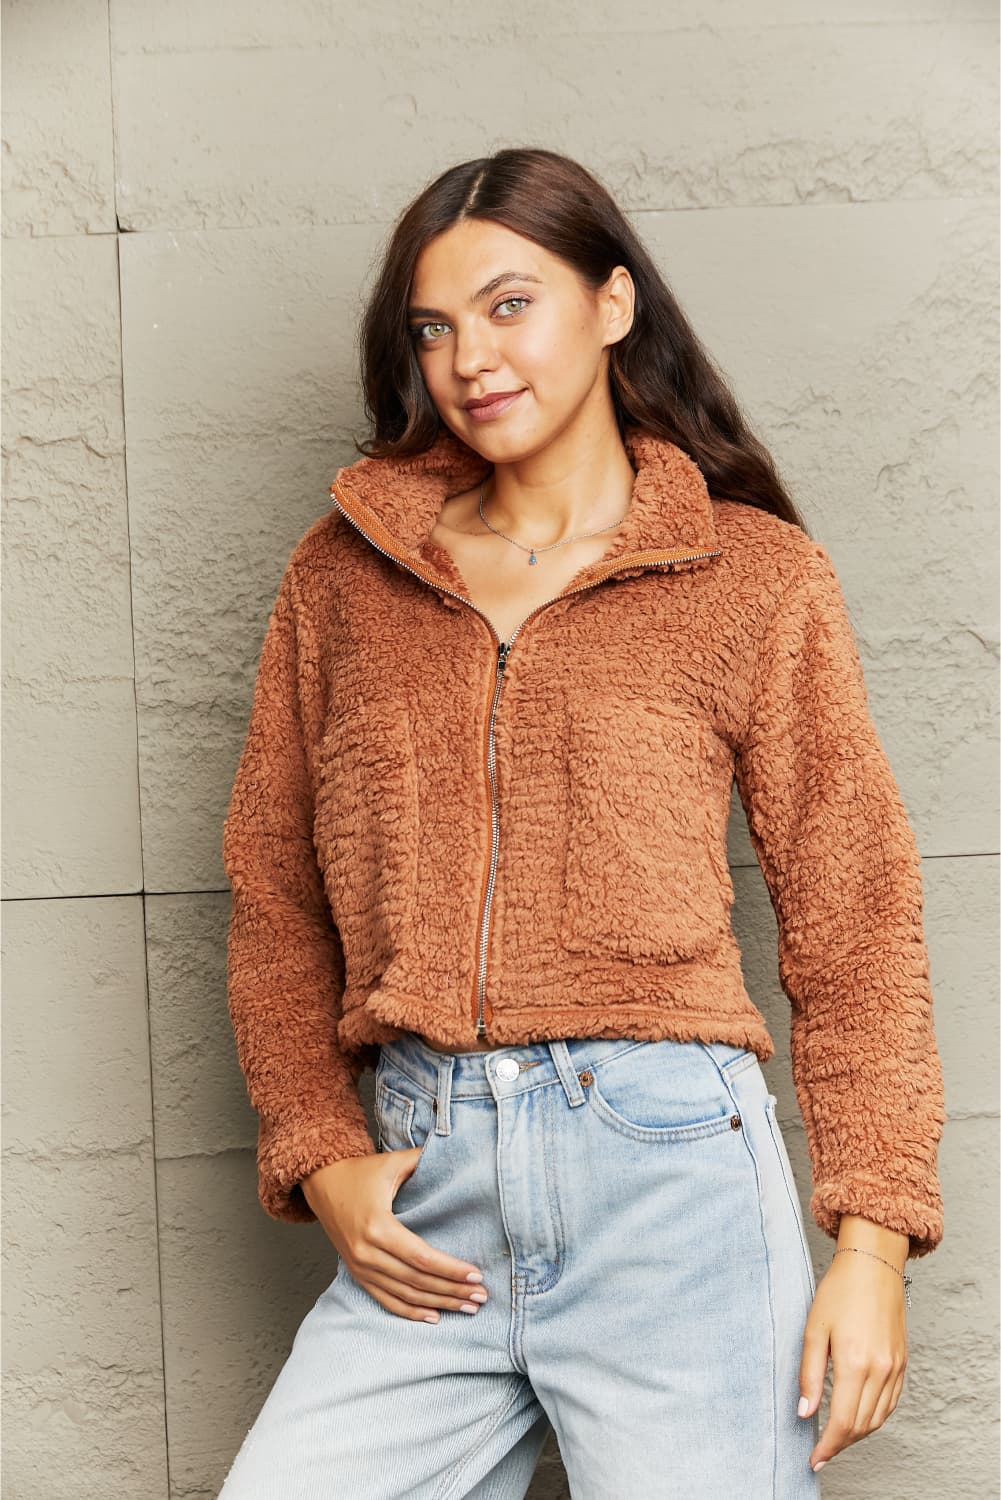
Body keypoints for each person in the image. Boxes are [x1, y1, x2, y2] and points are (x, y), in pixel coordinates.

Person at [217, 147, 946, 1499]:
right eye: (432, 328)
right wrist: (318, 1153)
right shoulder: (344, 579)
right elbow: (273, 890)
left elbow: (855, 912)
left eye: (510, 306)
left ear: (613, 303)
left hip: (672, 1191)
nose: (470, 360)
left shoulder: (751, 576)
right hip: (426, 1192)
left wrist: (871, 1245)